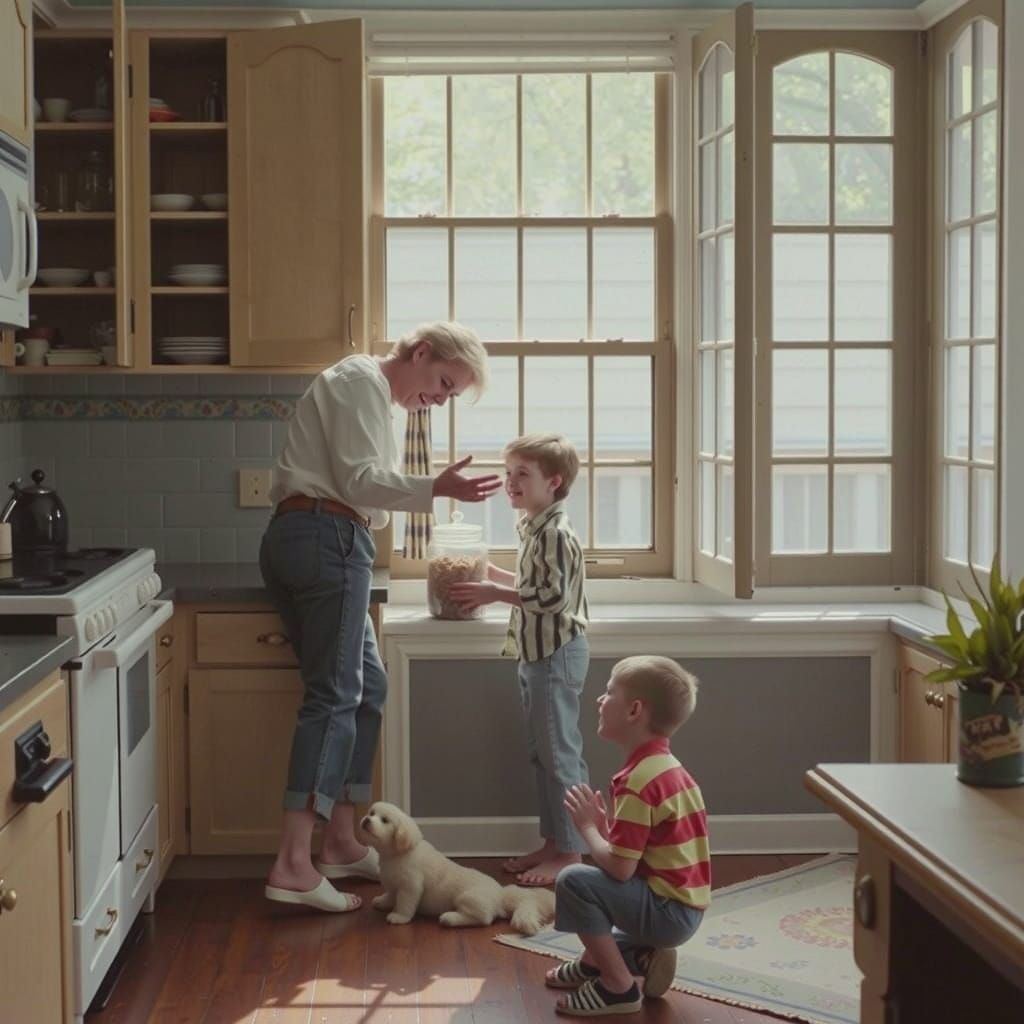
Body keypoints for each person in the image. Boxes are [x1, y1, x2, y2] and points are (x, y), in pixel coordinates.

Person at [260, 321, 501, 913]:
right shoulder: (361, 381)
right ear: (419, 353)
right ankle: (293, 863)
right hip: (327, 536)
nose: (438, 400)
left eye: (448, 397)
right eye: (442, 383)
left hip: (320, 535)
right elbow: (359, 482)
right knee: (335, 696)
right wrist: (434, 486)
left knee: (367, 689)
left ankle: (342, 842)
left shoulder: (369, 397)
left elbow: (366, 493)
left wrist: (409, 495)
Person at [449, 433, 590, 887]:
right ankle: (554, 842)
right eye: (508, 474)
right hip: (537, 654)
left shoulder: (554, 533)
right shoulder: (534, 527)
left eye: (521, 475)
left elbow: (550, 597)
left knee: (560, 756)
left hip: (555, 653)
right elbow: (535, 582)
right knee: (543, 755)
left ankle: (571, 852)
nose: (510, 482)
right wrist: (494, 574)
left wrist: (495, 593)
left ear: (554, 482)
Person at [547, 656, 710, 1017]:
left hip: (667, 913)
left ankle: (618, 987)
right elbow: (640, 856)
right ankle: (628, 959)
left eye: (609, 692)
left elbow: (621, 870)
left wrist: (587, 829)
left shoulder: (638, 781)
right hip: (683, 909)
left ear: (635, 710)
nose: (599, 701)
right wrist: (608, 831)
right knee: (598, 895)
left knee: (574, 881)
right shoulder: (669, 770)